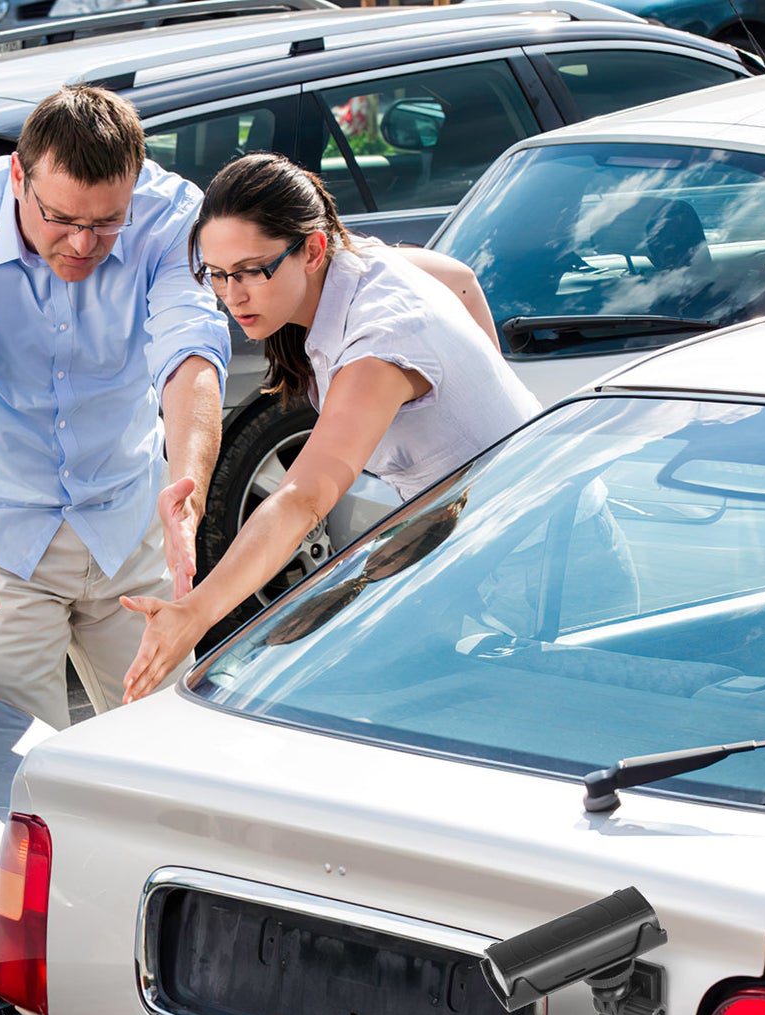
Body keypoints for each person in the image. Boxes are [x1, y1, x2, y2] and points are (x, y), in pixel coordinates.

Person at [120, 151, 537, 703]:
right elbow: (458, 279)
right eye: (216, 274)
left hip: (537, 567)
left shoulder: (381, 341)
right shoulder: (358, 260)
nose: (232, 295)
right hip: (477, 542)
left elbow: (303, 496)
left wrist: (196, 612)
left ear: (312, 249)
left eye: (250, 271)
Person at [0, 84, 230, 729]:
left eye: (106, 223)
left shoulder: (174, 213)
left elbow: (191, 351)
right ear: (19, 175)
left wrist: (188, 489)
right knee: (8, 768)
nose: (82, 244)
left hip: (129, 516)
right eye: (63, 219)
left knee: (167, 742)